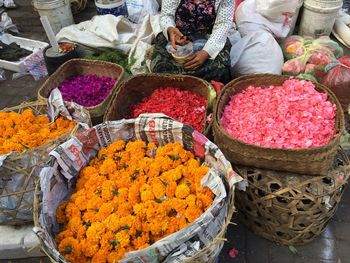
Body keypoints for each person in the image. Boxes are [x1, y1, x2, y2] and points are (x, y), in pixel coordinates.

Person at [150, 0, 235, 83]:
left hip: (210, 37)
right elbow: (166, 15)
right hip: (178, 34)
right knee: (160, 68)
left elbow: (223, 24)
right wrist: (170, 29)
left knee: (221, 69)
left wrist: (206, 52)